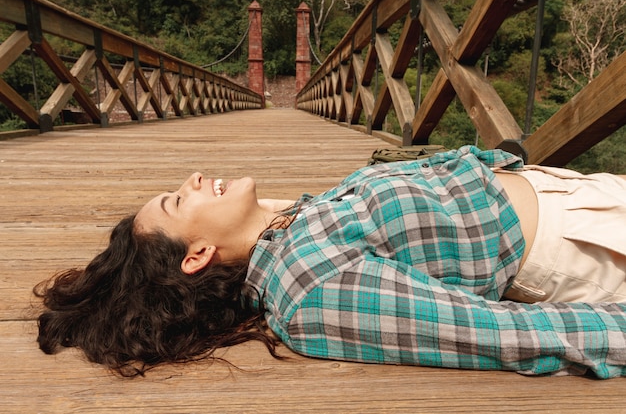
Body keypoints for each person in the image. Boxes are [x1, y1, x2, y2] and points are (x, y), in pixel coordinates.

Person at [34, 145, 626, 379]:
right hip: (588, 244)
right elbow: (494, 333)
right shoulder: (308, 287)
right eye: (177, 200)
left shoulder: (294, 222)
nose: (191, 180)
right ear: (198, 256)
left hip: (575, 194)